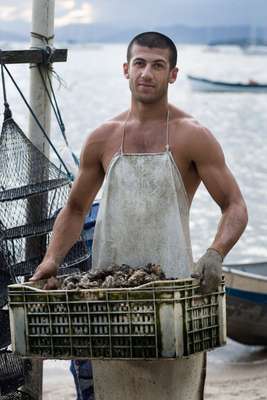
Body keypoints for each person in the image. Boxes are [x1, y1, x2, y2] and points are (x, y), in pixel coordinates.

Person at [31, 32, 248, 400]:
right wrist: (52, 260)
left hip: (172, 296)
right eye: (140, 63)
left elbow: (235, 205)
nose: (147, 73)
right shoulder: (103, 138)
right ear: (125, 70)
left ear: (173, 75)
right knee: (114, 389)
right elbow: (76, 208)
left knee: (174, 390)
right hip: (109, 297)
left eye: (158, 65)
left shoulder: (193, 136)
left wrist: (215, 253)